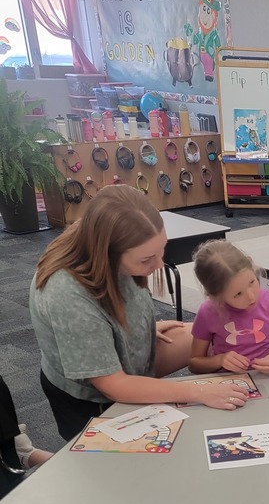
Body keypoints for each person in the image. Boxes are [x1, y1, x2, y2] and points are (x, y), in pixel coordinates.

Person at [29, 185, 251, 440]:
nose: (159, 265)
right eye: (146, 260)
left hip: (127, 355)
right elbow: (113, 386)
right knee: (124, 469)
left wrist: (140, 328)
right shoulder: (67, 292)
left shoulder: (95, 234)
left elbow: (107, 311)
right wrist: (199, 392)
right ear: (108, 253)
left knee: (216, 333)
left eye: (162, 250)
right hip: (93, 400)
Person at [189, 240, 269, 375]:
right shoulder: (208, 311)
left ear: (252, 267)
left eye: (252, 282)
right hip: (227, 383)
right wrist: (219, 360)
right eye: (238, 294)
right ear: (216, 296)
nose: (251, 296)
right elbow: (194, 363)